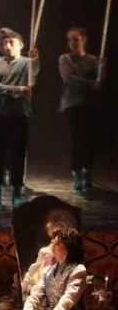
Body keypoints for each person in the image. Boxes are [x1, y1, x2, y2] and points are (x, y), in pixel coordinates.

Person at [0, 27, 39, 208]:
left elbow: (31, 82)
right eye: (3, 44)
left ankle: (17, 190)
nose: (7, 46)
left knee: (18, 153)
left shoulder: (27, 63)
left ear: (21, 45)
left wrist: (35, 60)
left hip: (19, 114)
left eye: (11, 43)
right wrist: (18, 89)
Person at [58, 26, 105, 192]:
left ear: (83, 40)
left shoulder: (93, 60)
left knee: (89, 140)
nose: (72, 43)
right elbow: (69, 79)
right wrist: (92, 83)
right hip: (72, 104)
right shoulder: (65, 58)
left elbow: (100, 83)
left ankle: (87, 172)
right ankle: (77, 172)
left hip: (89, 104)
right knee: (76, 139)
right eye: (69, 40)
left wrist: (102, 68)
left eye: (75, 39)